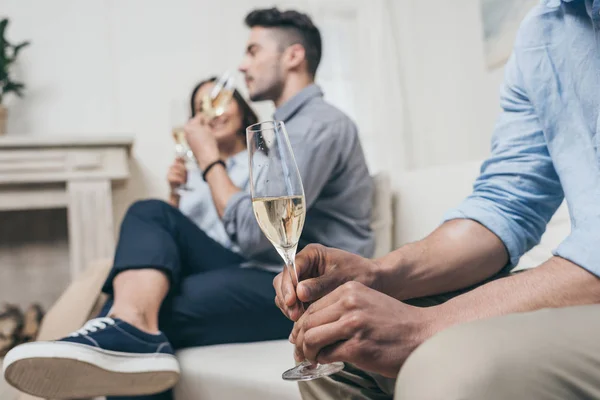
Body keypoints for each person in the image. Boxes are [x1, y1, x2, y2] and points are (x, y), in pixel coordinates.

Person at [2, 7, 374, 400]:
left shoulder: (318, 124)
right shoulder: (281, 130)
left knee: (147, 313)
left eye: (252, 51)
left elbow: (254, 235)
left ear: (293, 56)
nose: (242, 65)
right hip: (268, 271)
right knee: (148, 215)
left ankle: (125, 331)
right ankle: (127, 326)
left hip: (306, 285)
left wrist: (209, 157)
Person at [274, 1, 600, 399]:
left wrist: (425, 326)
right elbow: (505, 206)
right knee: (339, 351)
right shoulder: (546, 31)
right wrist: (377, 274)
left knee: (446, 364)